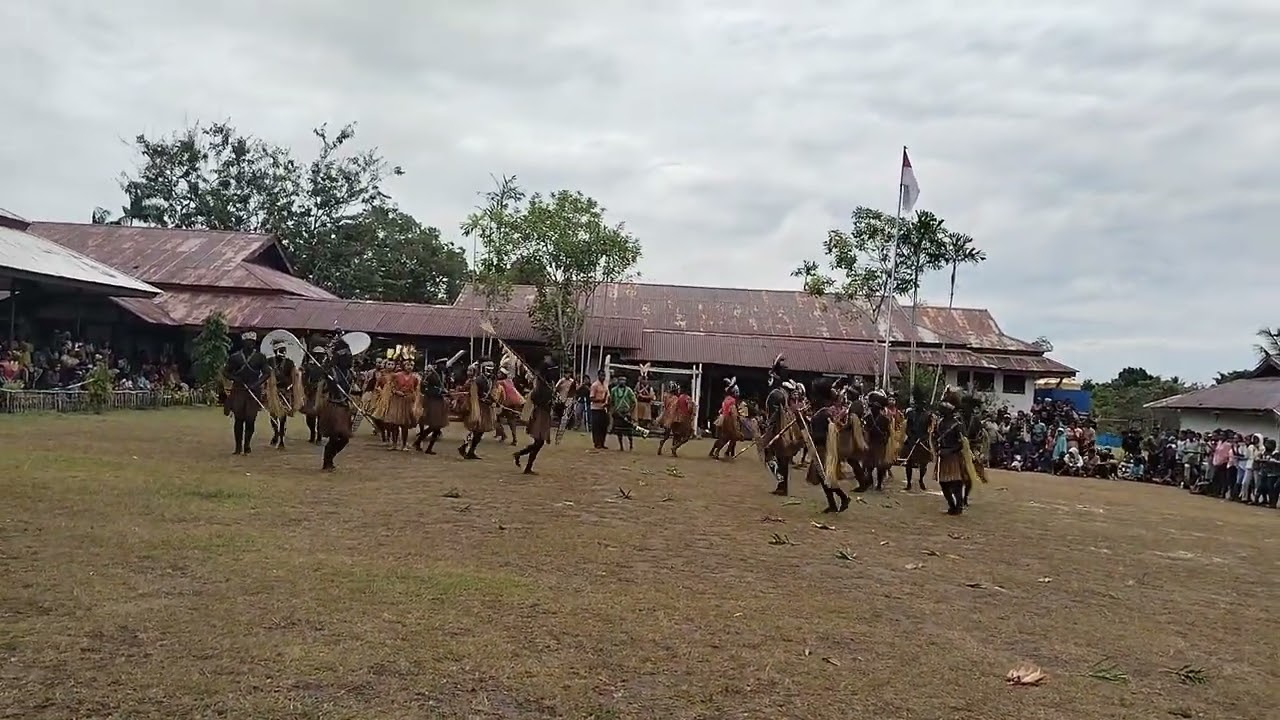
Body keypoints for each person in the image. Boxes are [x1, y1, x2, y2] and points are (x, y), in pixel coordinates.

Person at [805, 377, 850, 513]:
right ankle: (833, 504)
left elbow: (825, 433)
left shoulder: (824, 413)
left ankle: (843, 498)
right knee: (822, 477)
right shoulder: (822, 412)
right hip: (819, 447)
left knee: (825, 477)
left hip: (823, 448)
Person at [762, 355, 805, 496]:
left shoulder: (778, 394)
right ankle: (782, 485)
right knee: (783, 459)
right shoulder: (785, 392)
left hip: (779, 429)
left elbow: (775, 415)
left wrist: (768, 431)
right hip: (787, 429)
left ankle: (781, 483)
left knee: (770, 455)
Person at [224, 331, 268, 455]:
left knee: (250, 419)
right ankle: (238, 447)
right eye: (248, 342)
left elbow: (267, 373)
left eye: (252, 342)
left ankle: (247, 444)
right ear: (243, 342)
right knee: (239, 419)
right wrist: (235, 378)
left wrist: (257, 384)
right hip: (239, 390)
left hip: (253, 391)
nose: (250, 344)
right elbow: (225, 372)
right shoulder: (235, 357)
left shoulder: (260, 357)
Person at [318, 332, 357, 471]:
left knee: (345, 438)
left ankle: (330, 458)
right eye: (346, 357)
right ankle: (326, 462)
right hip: (334, 406)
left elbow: (353, 389)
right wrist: (328, 372)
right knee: (335, 436)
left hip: (344, 406)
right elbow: (323, 375)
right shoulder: (331, 372)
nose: (349, 359)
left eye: (350, 356)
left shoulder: (350, 374)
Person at [514, 356, 557, 474]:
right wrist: (546, 400)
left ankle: (523, 460)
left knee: (539, 443)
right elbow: (535, 399)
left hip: (545, 414)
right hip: (540, 414)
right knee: (539, 442)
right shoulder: (541, 386)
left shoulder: (548, 384)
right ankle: (522, 458)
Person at [932, 391, 967, 515]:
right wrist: (937, 448)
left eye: (945, 408)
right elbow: (935, 437)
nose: (942, 410)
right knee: (943, 483)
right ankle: (952, 505)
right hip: (943, 457)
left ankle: (958, 506)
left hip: (954, 457)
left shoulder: (957, 425)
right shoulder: (940, 423)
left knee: (956, 482)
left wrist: (950, 450)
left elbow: (962, 443)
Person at [264, 339, 303, 449]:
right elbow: (265, 375)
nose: (284, 352)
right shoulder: (269, 362)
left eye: (284, 350)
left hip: (284, 391)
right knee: (273, 415)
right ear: (276, 351)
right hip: (272, 392)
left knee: (283, 417)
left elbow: (294, 378)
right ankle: (276, 433)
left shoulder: (289, 363)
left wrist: (290, 384)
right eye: (281, 350)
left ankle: (281, 438)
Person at [382, 351, 422, 451]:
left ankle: (404, 444)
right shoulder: (396, 375)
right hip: (397, 400)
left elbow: (416, 390)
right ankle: (394, 444)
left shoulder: (415, 378)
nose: (409, 367)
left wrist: (413, 398)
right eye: (408, 365)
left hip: (407, 401)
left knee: (405, 425)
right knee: (394, 424)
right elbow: (390, 387)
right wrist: (396, 392)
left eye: (411, 365)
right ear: (404, 365)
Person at [414, 357, 451, 454]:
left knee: (437, 426)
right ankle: (419, 441)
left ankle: (427, 446)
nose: (444, 366)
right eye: (442, 364)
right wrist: (438, 392)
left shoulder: (442, 375)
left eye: (445, 364)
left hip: (439, 401)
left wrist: (444, 391)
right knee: (434, 425)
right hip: (432, 402)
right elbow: (423, 388)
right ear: (438, 365)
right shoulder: (431, 375)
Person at [458, 362, 495, 460]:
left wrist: (492, 400)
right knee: (476, 430)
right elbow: (474, 394)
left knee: (479, 431)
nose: (490, 371)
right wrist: (484, 400)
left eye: (491, 369)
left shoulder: (489, 380)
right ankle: (465, 446)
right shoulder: (478, 380)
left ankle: (470, 451)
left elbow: (488, 393)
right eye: (488, 369)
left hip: (485, 407)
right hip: (478, 407)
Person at [902, 387, 934, 490]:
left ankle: (921, 479)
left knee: (923, 463)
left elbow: (930, 430)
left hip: (922, 441)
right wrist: (911, 436)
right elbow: (907, 428)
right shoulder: (910, 414)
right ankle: (908, 482)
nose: (920, 405)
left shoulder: (928, 415)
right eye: (918, 403)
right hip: (912, 440)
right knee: (908, 463)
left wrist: (923, 439)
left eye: (922, 403)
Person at [655, 381, 695, 457]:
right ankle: (674, 448)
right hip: (675, 417)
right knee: (682, 435)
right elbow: (681, 408)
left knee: (668, 434)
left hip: (666, 416)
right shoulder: (676, 398)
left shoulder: (666, 396)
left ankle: (663, 446)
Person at [300, 346, 328, 445]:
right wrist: (306, 387)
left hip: (322, 394)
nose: (319, 357)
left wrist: (324, 387)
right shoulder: (308, 366)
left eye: (321, 355)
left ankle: (319, 436)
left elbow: (329, 380)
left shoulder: (326, 367)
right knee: (310, 417)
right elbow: (304, 379)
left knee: (321, 417)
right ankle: (312, 433)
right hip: (311, 393)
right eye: (317, 355)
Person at [709, 378, 742, 459]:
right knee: (728, 438)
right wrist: (736, 427)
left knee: (723, 437)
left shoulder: (726, 399)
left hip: (721, 419)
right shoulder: (733, 401)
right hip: (728, 420)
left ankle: (713, 451)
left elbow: (721, 410)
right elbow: (733, 413)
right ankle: (718, 452)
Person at [609, 375, 638, 451]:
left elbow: (634, 402)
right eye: (620, 380)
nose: (622, 382)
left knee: (629, 430)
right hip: (618, 413)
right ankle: (621, 446)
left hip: (626, 413)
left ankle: (631, 445)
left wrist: (630, 411)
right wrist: (612, 411)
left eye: (624, 380)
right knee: (619, 430)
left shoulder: (629, 390)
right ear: (618, 381)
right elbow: (611, 401)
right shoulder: (613, 390)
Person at [588, 370, 609, 449]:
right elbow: (591, 398)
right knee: (596, 427)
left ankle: (602, 442)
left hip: (603, 408)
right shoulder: (594, 385)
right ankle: (596, 443)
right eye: (601, 375)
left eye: (604, 375)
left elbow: (607, 395)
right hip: (596, 408)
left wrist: (606, 402)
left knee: (603, 427)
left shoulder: (605, 385)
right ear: (598, 376)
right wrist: (600, 400)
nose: (603, 377)